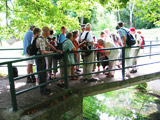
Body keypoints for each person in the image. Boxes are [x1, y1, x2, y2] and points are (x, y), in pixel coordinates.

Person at [35, 26, 62, 95]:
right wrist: (52, 52)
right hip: (39, 58)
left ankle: (44, 87)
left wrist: (56, 50)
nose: (49, 34)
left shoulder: (43, 38)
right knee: (41, 73)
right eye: (48, 32)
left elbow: (49, 44)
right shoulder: (41, 39)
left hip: (42, 58)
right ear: (46, 32)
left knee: (44, 72)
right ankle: (42, 89)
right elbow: (43, 52)